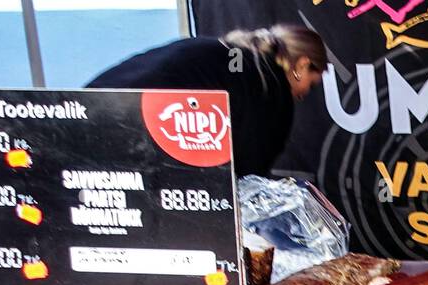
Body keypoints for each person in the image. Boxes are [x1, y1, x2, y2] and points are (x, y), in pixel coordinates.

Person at [88, 25, 326, 178]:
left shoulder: (224, 55)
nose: (303, 94)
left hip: (82, 111)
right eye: (311, 84)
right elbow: (250, 175)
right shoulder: (271, 86)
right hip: (119, 132)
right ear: (302, 65)